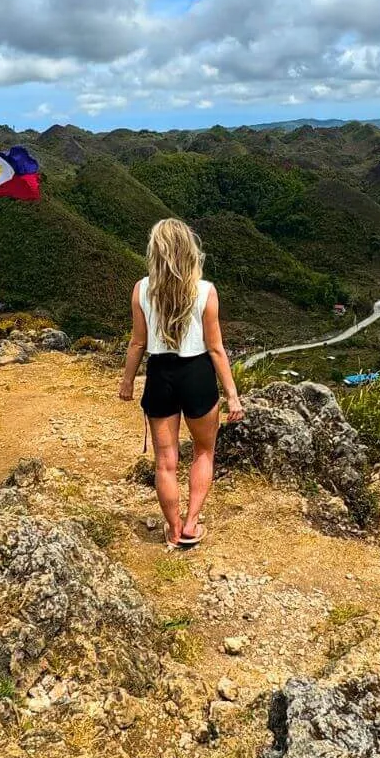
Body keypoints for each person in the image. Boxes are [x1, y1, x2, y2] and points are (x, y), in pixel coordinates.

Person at [118, 217, 243, 548]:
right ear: (189, 250)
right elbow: (216, 349)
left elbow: (137, 343)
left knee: (165, 461)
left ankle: (172, 530)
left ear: (155, 252)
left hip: (160, 375)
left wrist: (127, 382)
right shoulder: (206, 291)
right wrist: (232, 395)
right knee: (204, 450)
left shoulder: (142, 289)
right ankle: (190, 524)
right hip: (197, 374)